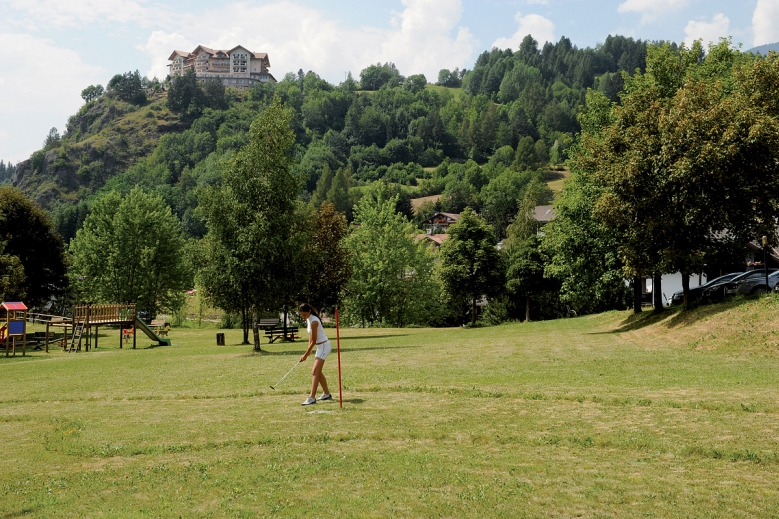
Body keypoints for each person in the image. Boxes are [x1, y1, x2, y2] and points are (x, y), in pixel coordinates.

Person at [298, 303, 333, 406]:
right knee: (318, 371)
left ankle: (312, 398)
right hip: (319, 347)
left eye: (305, 314)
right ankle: (327, 394)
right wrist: (308, 351)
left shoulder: (314, 321)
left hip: (324, 346)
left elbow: (313, 341)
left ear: (309, 311)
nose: (303, 317)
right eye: (302, 315)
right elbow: (311, 337)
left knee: (314, 372)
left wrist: (306, 354)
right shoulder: (309, 319)